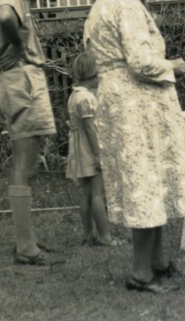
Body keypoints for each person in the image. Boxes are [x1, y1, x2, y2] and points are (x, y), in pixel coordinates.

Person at [83, 0, 185, 294]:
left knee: (150, 181)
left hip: (126, 101)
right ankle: (141, 273)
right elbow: (140, 62)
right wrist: (174, 65)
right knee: (143, 184)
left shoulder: (107, 2)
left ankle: (157, 261)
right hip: (134, 103)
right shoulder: (125, 5)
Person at [0, 0, 62, 266]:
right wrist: (17, 45)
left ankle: (26, 242)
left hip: (20, 80)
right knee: (24, 165)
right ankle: (26, 248)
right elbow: (5, 17)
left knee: (26, 163)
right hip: (21, 80)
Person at [65, 50, 119, 246]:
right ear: (92, 75)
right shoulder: (86, 98)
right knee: (97, 193)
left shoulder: (75, 95)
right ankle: (105, 236)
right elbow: (89, 127)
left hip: (78, 148)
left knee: (87, 193)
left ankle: (88, 235)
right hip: (89, 149)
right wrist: (98, 154)